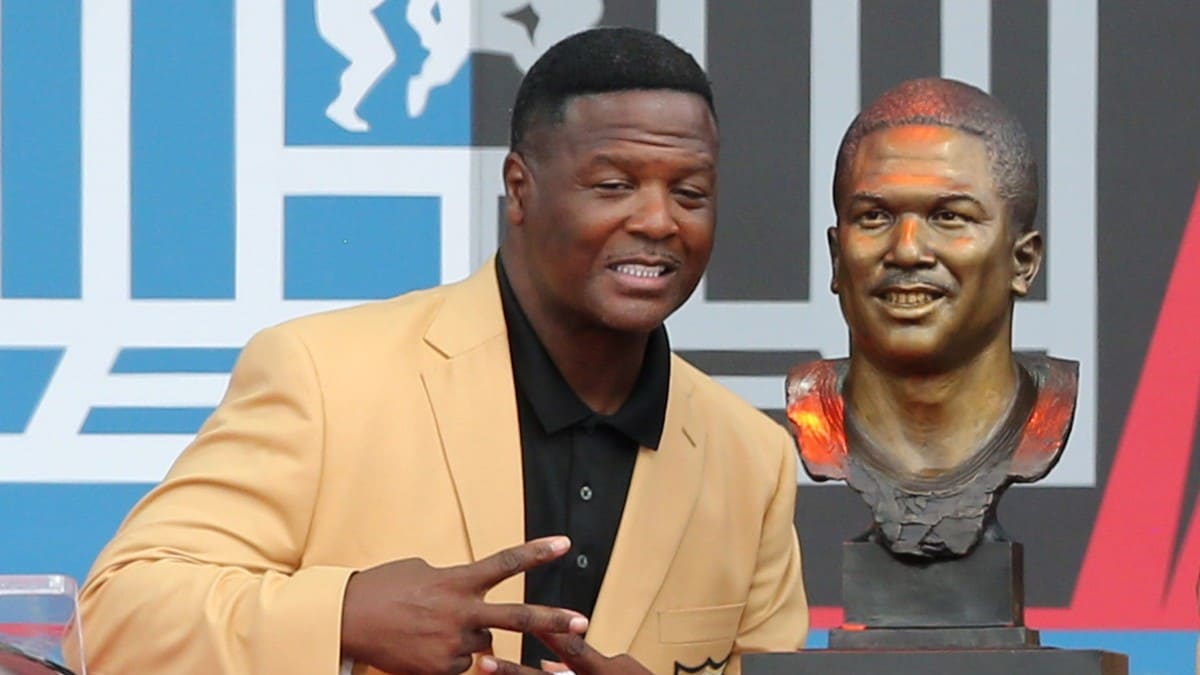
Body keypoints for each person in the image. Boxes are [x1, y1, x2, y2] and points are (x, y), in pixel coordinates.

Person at [72, 27, 808, 675]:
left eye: (691, 193)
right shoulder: (325, 376)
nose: (659, 220)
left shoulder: (750, 456)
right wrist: (346, 616)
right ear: (519, 189)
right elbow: (113, 616)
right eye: (614, 184)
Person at [786, 78, 1077, 559]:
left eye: (950, 217)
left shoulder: (1043, 421)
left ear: (1023, 261)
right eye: (875, 217)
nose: (906, 250)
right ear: (837, 258)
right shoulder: (815, 420)